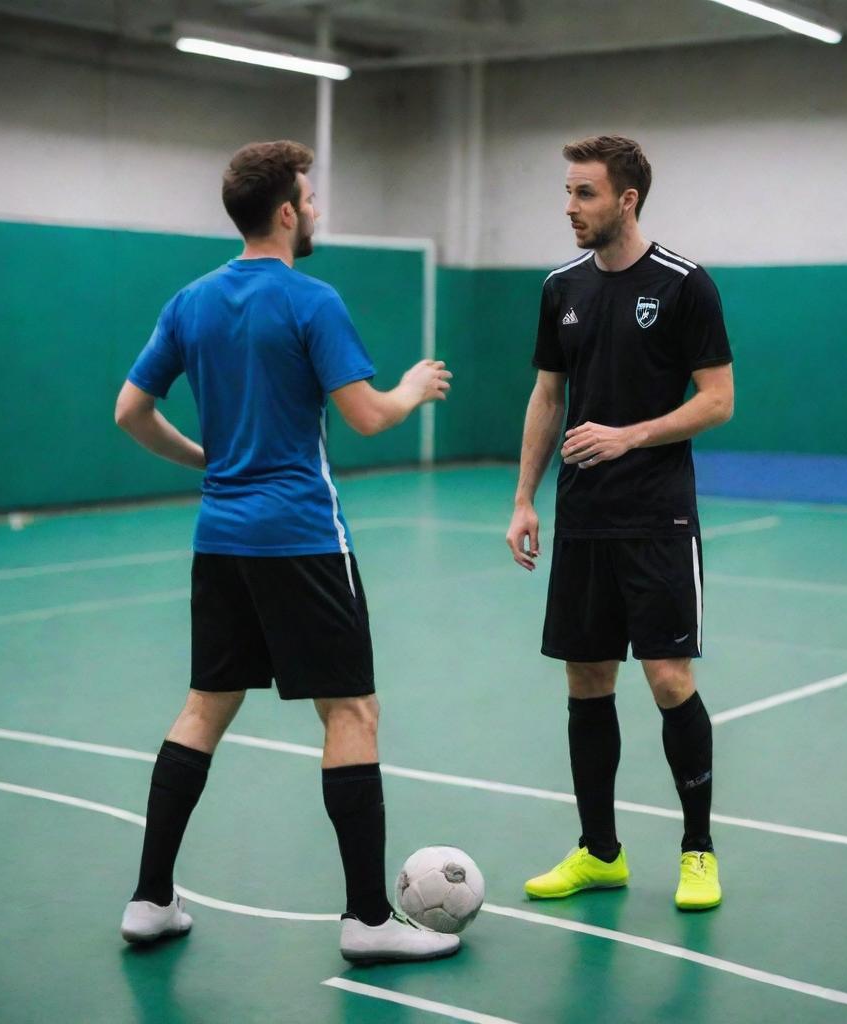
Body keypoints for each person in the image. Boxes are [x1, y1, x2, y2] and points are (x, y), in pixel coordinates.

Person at [114, 139, 459, 963]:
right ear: (284, 212)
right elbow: (369, 416)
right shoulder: (312, 300)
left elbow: (130, 411)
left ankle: (149, 900)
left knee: (205, 706)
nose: (317, 210)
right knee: (351, 713)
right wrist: (411, 387)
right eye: (311, 197)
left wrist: (208, 458)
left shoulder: (190, 301)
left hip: (221, 539)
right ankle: (369, 919)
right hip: (302, 537)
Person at [505, 135, 734, 911]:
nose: (570, 208)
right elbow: (547, 396)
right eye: (567, 192)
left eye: (585, 194)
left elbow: (717, 400)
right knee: (587, 678)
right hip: (584, 520)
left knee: (669, 680)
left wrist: (629, 434)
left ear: (626, 200)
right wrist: (524, 498)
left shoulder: (684, 285)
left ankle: (697, 850)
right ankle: (600, 851)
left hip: (659, 516)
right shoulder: (560, 287)